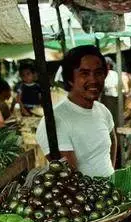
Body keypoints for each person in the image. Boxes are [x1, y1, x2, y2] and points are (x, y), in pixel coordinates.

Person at [35, 45, 117, 177]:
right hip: (82, 196)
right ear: (69, 78)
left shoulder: (102, 110)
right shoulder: (54, 121)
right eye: (84, 73)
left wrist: (110, 175)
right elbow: (71, 177)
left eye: (98, 73)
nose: (93, 80)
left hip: (110, 191)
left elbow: (112, 139)